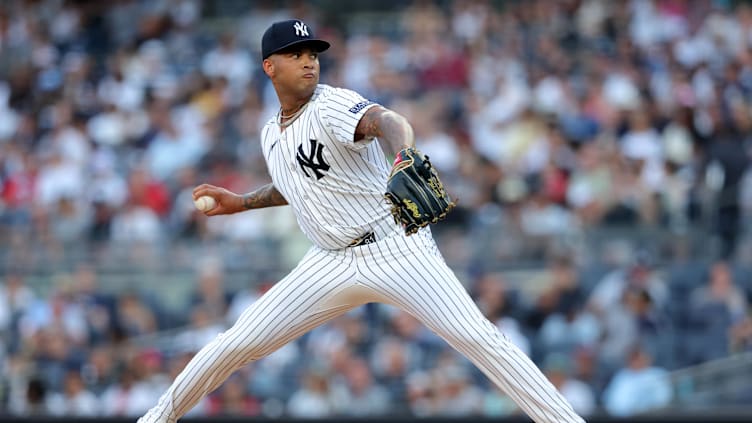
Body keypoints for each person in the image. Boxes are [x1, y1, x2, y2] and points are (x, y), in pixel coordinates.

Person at [138, 19, 584, 423]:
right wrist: (242, 202)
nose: (309, 63)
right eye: (296, 55)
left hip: (395, 248)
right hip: (328, 262)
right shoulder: (269, 132)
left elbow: (387, 120)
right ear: (269, 67)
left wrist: (403, 152)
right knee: (235, 343)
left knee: (478, 339)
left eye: (312, 54)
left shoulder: (331, 106)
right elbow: (299, 185)